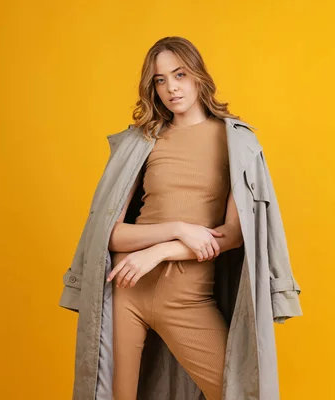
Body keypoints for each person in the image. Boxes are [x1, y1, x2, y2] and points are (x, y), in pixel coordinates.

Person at [105, 36, 246, 400]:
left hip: (187, 298)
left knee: (238, 392)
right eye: (160, 79)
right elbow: (112, 236)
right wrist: (180, 230)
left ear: (198, 75)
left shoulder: (233, 140)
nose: (171, 88)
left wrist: (160, 251)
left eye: (179, 74)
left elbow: (232, 236)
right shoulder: (143, 141)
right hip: (127, 290)